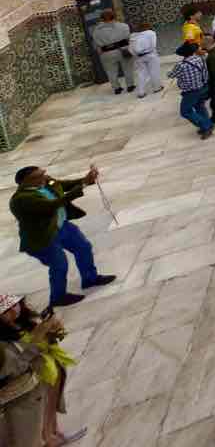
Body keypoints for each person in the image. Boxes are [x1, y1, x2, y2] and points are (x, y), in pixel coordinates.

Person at [9, 167, 114, 310]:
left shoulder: (47, 182)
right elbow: (52, 205)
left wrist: (86, 179)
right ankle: (58, 297)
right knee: (59, 264)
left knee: (83, 247)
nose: (45, 177)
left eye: (43, 173)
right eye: (40, 175)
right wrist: (82, 186)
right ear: (27, 181)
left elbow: (64, 185)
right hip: (43, 237)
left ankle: (90, 279)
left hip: (62, 226)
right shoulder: (22, 199)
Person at [0, 294, 60, 447]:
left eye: (15, 305)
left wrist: (51, 332)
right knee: (27, 437)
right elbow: (15, 367)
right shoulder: (3, 343)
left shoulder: (23, 324)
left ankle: (51, 434)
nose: (14, 310)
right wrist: (37, 341)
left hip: (37, 384)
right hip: (18, 397)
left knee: (45, 414)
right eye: (6, 310)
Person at [169, 42, 214, 138]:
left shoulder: (181, 65)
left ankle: (205, 126)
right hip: (203, 87)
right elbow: (206, 73)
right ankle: (208, 125)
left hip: (191, 92)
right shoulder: (200, 59)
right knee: (200, 107)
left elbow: (171, 75)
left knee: (185, 111)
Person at [90, 10, 131, 95]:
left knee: (111, 72)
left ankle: (117, 88)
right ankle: (130, 86)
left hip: (106, 53)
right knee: (127, 68)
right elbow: (128, 38)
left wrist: (100, 51)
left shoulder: (96, 31)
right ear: (114, 16)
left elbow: (95, 44)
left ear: (101, 18)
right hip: (123, 50)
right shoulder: (124, 26)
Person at [125, 20, 162, 99]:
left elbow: (130, 49)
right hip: (150, 54)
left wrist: (136, 54)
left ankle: (141, 92)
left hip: (138, 57)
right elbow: (153, 45)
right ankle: (157, 88)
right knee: (154, 71)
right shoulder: (151, 33)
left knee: (141, 74)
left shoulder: (133, 36)